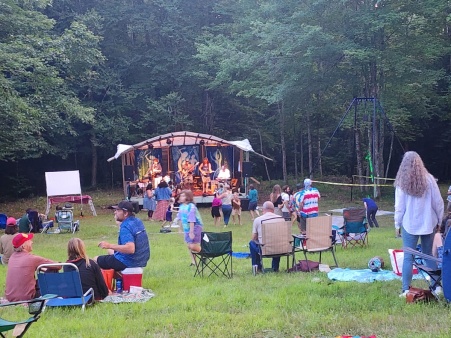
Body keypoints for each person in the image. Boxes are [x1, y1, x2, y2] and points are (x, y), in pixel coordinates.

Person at [394, 151, 443, 298]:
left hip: (410, 224)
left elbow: (399, 207)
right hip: (429, 223)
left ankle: (405, 290)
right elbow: (438, 202)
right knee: (429, 255)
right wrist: (440, 220)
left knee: (409, 257)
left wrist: (397, 224)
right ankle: (436, 287)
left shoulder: (402, 183)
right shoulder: (430, 180)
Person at [95, 201, 150, 271]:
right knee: (110, 251)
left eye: (118, 210)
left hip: (129, 261)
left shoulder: (125, 227)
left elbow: (130, 249)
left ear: (126, 213)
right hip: (141, 259)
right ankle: (119, 278)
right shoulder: (137, 221)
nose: (115, 212)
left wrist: (109, 245)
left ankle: (103, 281)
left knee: (96, 260)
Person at [5, 233, 61, 301]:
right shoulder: (32, 259)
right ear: (24, 246)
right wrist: (46, 268)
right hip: (28, 297)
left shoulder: (12, 258)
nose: (32, 242)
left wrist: (40, 267)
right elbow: (58, 265)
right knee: (53, 270)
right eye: (29, 240)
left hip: (10, 297)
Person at [249, 201, 284, 273]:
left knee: (252, 243)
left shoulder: (258, 220)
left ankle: (257, 267)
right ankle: (275, 267)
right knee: (277, 241)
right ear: (273, 210)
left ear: (263, 210)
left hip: (265, 249)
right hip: (281, 248)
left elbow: (254, 238)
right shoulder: (281, 219)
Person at [178, 190, 203, 266]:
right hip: (187, 228)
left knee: (192, 245)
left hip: (195, 227)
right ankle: (194, 262)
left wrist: (191, 232)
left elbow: (192, 220)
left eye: (183, 196)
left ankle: (204, 254)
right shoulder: (181, 206)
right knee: (189, 246)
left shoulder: (191, 206)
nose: (181, 197)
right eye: (181, 196)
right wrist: (180, 228)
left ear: (188, 197)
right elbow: (180, 218)